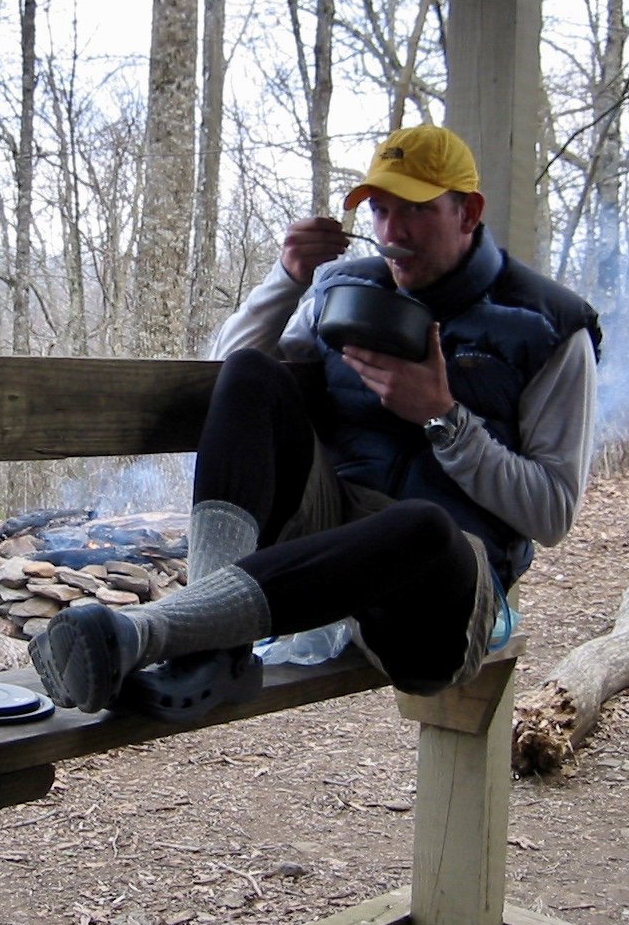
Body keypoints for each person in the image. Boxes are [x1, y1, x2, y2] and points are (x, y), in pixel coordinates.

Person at [31, 124, 600, 719]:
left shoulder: (549, 325)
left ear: (468, 212)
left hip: (438, 597)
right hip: (323, 531)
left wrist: (444, 420)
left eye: (415, 210)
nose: (391, 232)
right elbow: (226, 382)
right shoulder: (345, 286)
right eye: (380, 210)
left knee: (424, 527)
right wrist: (287, 279)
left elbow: (552, 512)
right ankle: (216, 657)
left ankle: (151, 632)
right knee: (254, 371)